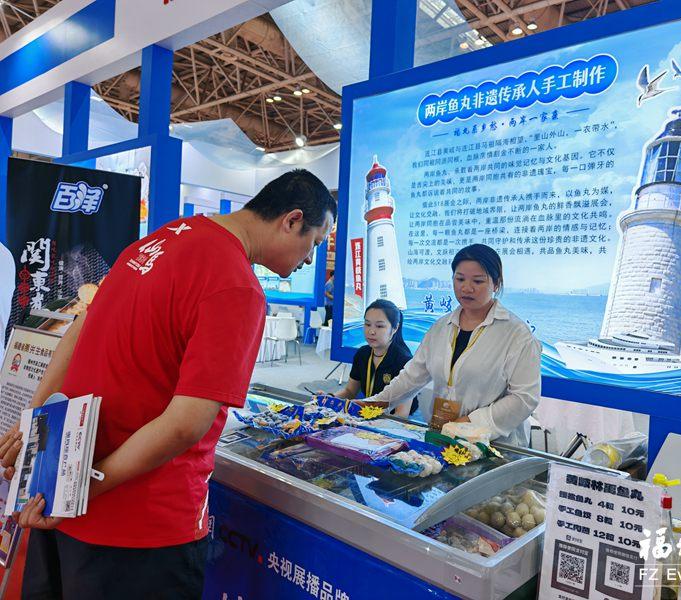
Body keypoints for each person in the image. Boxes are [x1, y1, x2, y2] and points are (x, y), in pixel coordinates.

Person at [0, 169, 336, 599]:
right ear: (291, 220)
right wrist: (84, 490)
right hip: (141, 530)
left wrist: (37, 424)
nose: (310, 260)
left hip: (62, 506)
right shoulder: (237, 285)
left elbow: (77, 330)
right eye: (316, 243)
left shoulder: (157, 241)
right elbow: (185, 424)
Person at [361, 244, 541, 446]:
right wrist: (372, 404)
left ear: (496, 283)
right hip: (443, 437)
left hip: (494, 446)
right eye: (460, 279)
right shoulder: (441, 327)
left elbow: (524, 398)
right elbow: (411, 377)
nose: (466, 288)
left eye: (478, 281)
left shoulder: (517, 335)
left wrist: (470, 423)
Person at [332, 299, 418, 415]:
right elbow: (350, 391)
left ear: (395, 328)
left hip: (392, 419)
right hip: (366, 415)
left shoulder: (404, 361)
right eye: (367, 324)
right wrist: (330, 398)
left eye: (379, 326)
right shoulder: (362, 354)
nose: (371, 331)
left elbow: (401, 415)